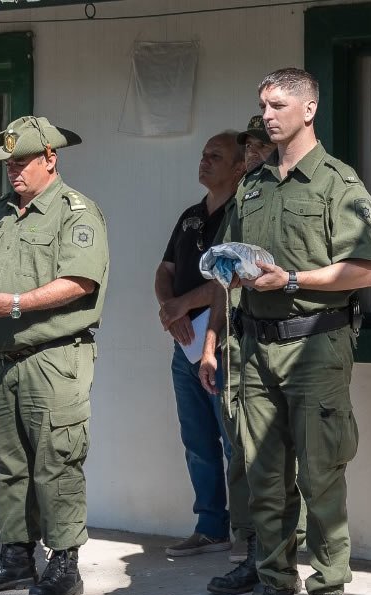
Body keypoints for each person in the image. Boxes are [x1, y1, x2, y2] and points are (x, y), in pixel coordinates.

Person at [201, 68, 371, 595]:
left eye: (279, 105)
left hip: (315, 347)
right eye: (263, 104)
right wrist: (228, 274)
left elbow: (365, 270)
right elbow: (230, 256)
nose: (268, 115)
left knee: (321, 479)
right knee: (265, 480)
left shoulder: (338, 183)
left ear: (308, 110)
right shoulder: (252, 186)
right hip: (256, 349)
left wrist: (293, 278)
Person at [0, 116, 109, 595]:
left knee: (57, 463)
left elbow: (81, 282)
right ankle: (16, 558)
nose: (13, 170)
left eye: (22, 161)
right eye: (8, 162)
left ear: (50, 159)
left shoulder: (77, 213)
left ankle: (63, 565)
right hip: (5, 361)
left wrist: (16, 302)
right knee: (12, 465)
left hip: (53, 359)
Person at [203, 115, 296, 595]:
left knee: (278, 462)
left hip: (285, 346)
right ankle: (253, 554)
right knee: (241, 454)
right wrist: (210, 344)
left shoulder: (298, 196)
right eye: (251, 148)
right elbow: (224, 282)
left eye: (262, 145)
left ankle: (281, 563)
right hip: (238, 345)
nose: (256, 154)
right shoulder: (244, 199)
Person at [155, 131, 246, 557]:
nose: (204, 161)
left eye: (216, 156)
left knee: (234, 441)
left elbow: (231, 280)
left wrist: (181, 306)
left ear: (239, 166)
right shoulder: (191, 215)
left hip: (226, 342)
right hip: (186, 345)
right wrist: (170, 312)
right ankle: (210, 526)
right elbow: (165, 269)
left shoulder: (243, 212)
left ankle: (247, 534)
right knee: (197, 438)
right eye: (203, 154)